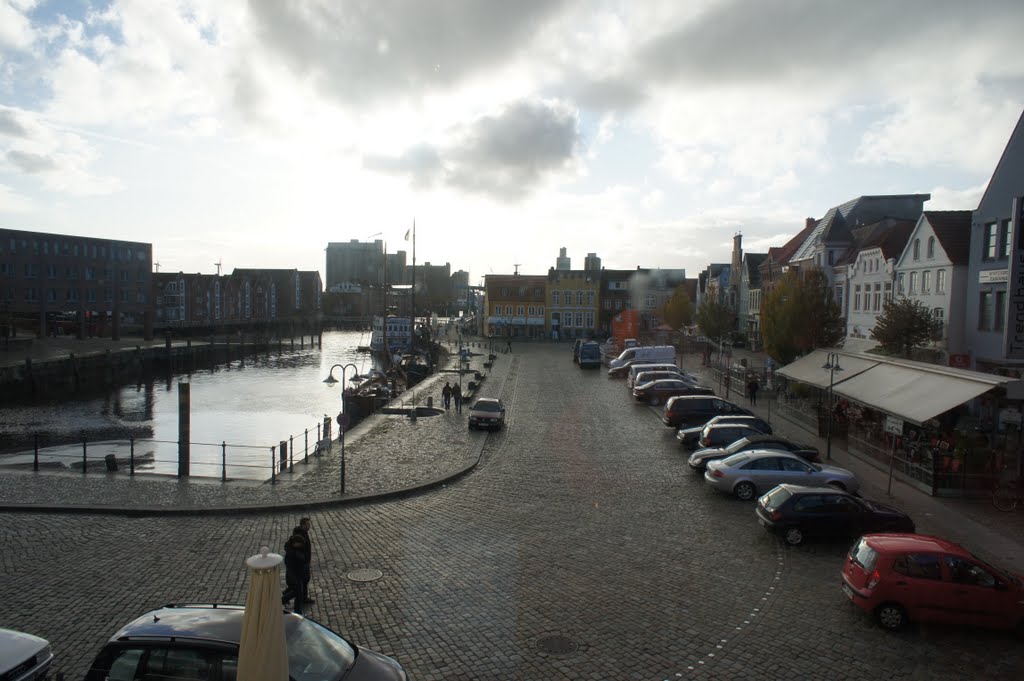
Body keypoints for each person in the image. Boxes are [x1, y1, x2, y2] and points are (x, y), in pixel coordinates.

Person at [281, 533, 308, 614]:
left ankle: (297, 610)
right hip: (294, 576)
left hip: (298, 574)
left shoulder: (296, 549)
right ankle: (283, 600)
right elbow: (291, 565)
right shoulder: (292, 553)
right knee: (297, 592)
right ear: (295, 543)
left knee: (298, 593)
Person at [293, 517, 314, 603]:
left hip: (305, 561)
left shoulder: (304, 532)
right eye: (308, 524)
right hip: (302, 562)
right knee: (303, 581)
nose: (309, 526)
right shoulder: (301, 535)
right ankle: (287, 597)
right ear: (303, 525)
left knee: (305, 580)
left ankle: (303, 597)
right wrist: (304, 559)